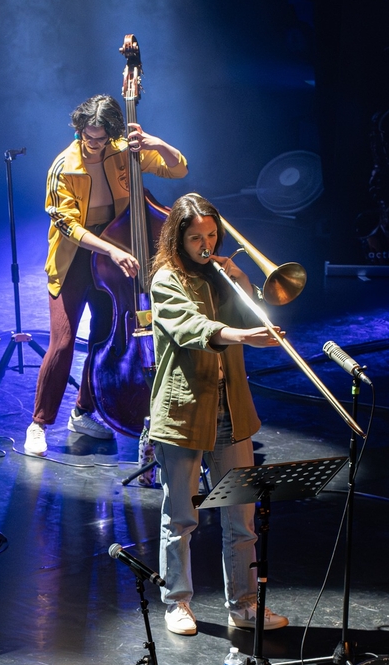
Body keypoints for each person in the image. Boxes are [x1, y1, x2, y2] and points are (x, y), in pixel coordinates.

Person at [147, 194, 289, 636]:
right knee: (181, 517)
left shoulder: (221, 275)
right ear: (178, 238)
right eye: (195, 237)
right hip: (185, 412)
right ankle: (177, 602)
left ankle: (244, 605)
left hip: (232, 411)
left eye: (211, 235)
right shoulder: (166, 280)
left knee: (241, 517)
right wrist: (243, 336)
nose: (205, 244)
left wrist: (242, 278)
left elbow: (249, 311)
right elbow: (193, 329)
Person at [25, 94, 188, 457]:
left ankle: (83, 410)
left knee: (104, 338)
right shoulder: (63, 166)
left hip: (115, 252)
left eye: (100, 138)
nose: (94, 144)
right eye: (88, 136)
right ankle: (38, 423)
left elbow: (177, 169)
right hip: (78, 257)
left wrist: (158, 144)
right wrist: (111, 249)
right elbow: (66, 225)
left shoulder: (121, 151)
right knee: (64, 341)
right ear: (79, 129)